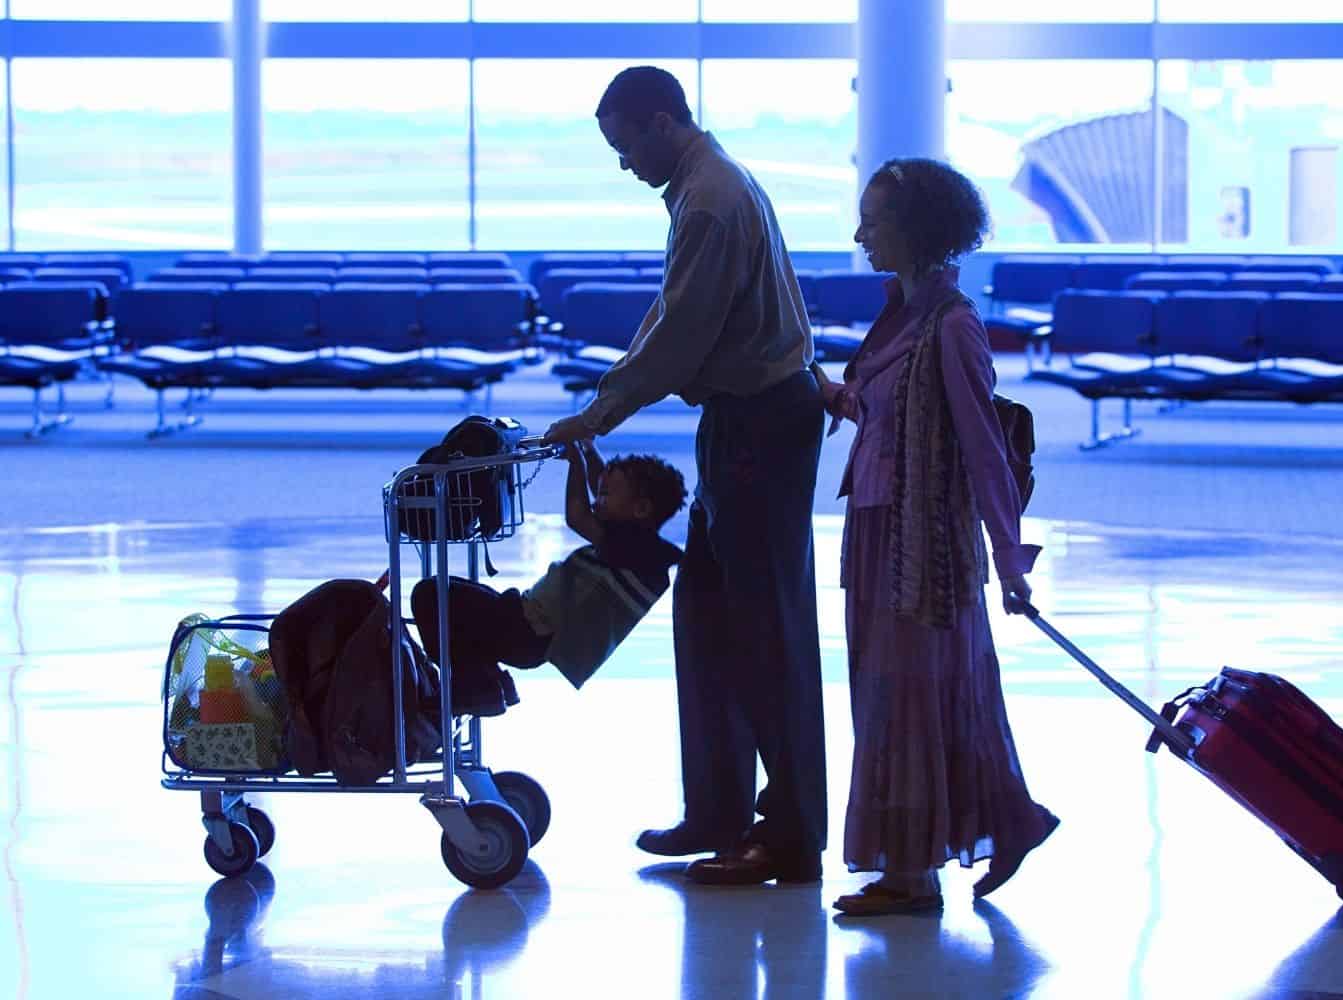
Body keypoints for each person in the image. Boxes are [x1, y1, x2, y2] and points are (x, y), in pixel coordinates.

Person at [541, 66, 827, 885]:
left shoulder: (709, 202)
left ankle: (790, 834)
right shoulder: (712, 184)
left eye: (626, 145)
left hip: (758, 428)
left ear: (663, 122)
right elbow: (673, 318)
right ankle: (720, 810)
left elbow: (677, 341)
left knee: (764, 632)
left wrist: (597, 415)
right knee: (706, 618)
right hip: (745, 420)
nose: (624, 165)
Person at [813, 157, 1058, 917]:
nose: (860, 235)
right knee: (915, 693)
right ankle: (1001, 822)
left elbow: (984, 446)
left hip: (924, 543)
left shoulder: (953, 324)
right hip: (878, 528)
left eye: (874, 221)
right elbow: (893, 414)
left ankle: (911, 869)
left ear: (915, 231)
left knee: (911, 697)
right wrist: (836, 396)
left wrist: (1010, 561)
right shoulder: (904, 314)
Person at [412, 441, 685, 704]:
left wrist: (576, 462)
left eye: (605, 496)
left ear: (640, 509)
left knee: (430, 594)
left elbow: (577, 516)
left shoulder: (633, 549)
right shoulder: (639, 545)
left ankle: (473, 687)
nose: (596, 500)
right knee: (451, 591)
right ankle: (488, 681)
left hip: (526, 634)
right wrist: (589, 451)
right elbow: (600, 483)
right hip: (525, 624)